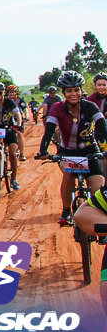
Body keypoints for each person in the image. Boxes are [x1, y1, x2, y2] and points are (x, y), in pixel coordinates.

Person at [37, 70, 107, 226]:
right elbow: (49, 129)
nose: (73, 94)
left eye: (77, 90)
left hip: (90, 150)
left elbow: (102, 124)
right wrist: (43, 150)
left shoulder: (90, 106)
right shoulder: (57, 108)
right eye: (69, 91)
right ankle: (66, 211)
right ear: (64, 92)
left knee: (97, 186)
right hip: (67, 151)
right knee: (68, 176)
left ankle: (100, 220)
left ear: (82, 91)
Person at [6, 85, 26, 160]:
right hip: (8, 119)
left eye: (13, 92)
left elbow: (25, 109)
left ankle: (22, 154)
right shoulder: (5, 100)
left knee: (19, 134)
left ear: (15, 92)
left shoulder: (19, 100)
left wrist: (25, 116)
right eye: (10, 92)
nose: (11, 94)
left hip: (18, 118)